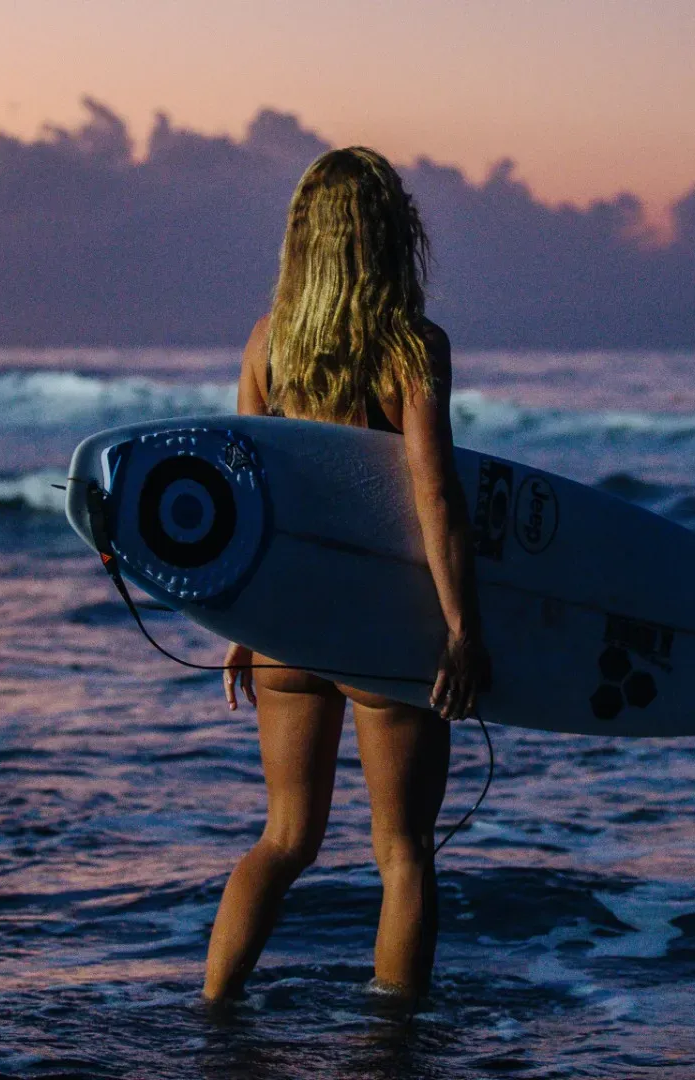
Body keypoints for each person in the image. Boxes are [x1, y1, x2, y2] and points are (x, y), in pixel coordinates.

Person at [202, 147, 489, 1006]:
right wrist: (464, 631)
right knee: (402, 852)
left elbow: (240, 498)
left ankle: (213, 1014)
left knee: (284, 839)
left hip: (289, 625)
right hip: (383, 631)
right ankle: (393, 1047)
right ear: (390, 237)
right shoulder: (413, 347)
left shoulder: (266, 342)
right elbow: (435, 496)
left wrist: (243, 626)